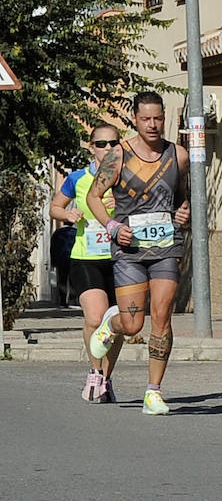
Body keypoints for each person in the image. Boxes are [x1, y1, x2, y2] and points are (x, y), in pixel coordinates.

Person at [85, 92, 191, 416]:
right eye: (146, 119)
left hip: (164, 247)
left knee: (162, 317)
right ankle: (109, 326)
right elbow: (93, 197)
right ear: (135, 119)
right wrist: (113, 226)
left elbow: (182, 198)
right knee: (133, 325)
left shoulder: (179, 155)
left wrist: (183, 212)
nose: (153, 125)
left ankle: (153, 392)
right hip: (129, 249)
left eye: (158, 118)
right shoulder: (118, 155)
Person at [48, 125, 127, 401]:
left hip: (121, 260)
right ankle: (94, 372)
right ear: (91, 147)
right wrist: (68, 214)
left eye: (112, 143)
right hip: (86, 257)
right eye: (101, 144)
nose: (107, 149)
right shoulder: (78, 179)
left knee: (120, 324)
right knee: (95, 318)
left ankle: (107, 378)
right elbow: (55, 207)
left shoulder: (127, 178)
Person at [49, 221, 77, 308]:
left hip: (61, 259)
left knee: (62, 281)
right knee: (73, 280)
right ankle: (72, 301)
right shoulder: (75, 232)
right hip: (73, 259)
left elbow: (53, 247)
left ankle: (62, 301)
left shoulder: (57, 233)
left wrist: (53, 261)